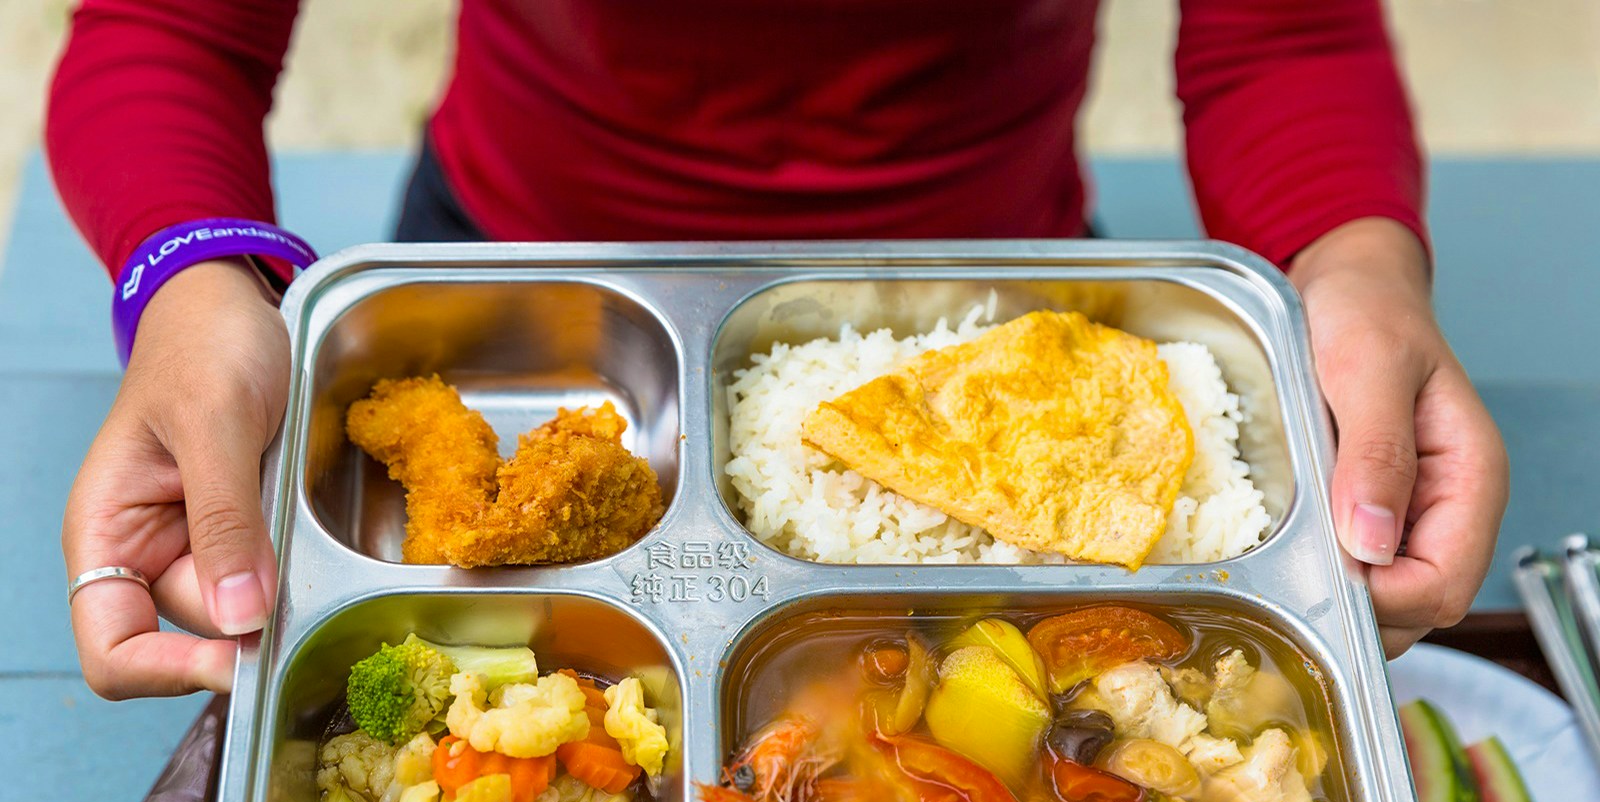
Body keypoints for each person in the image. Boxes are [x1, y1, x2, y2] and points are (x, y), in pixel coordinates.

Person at [46, 0, 1507, 699]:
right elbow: (167, 32)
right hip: (511, 267)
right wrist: (186, 281)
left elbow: (1282, 38)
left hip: (1002, 304)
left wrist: (1358, 261)